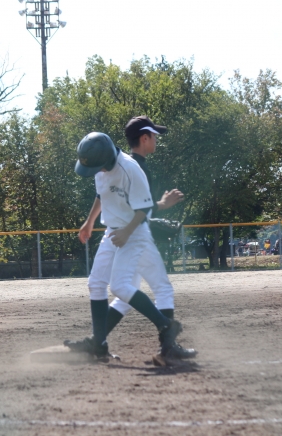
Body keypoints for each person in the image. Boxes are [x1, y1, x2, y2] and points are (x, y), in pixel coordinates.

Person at [66, 117, 196, 363]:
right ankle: (99, 345)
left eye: (98, 168)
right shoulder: (100, 167)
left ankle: (165, 327)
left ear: (107, 160)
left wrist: (127, 231)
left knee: (123, 287)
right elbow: (101, 195)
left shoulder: (131, 169)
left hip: (133, 233)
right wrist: (89, 221)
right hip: (113, 231)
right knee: (96, 284)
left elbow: (144, 207)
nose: (97, 172)